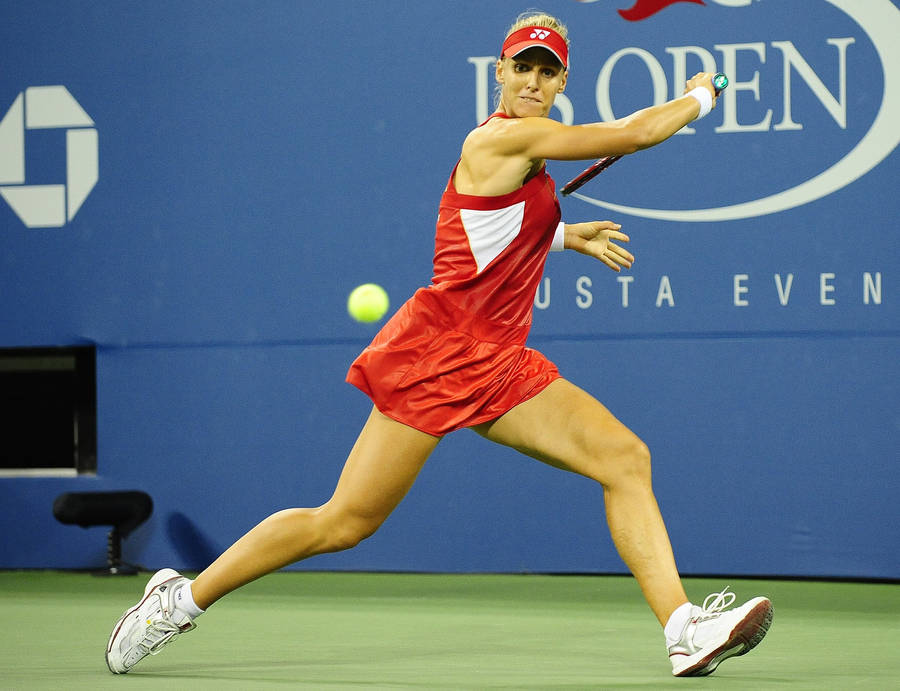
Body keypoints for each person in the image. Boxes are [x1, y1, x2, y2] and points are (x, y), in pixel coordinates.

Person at [106, 11, 773, 678]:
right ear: (500, 72)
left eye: (548, 71)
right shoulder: (496, 143)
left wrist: (564, 236)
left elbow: (489, 229)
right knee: (343, 522)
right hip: (439, 357)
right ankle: (179, 599)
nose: (535, 81)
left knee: (624, 457)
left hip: (504, 365)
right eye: (524, 67)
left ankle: (683, 628)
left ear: (562, 78)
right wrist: (703, 93)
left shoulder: (525, 157)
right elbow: (633, 133)